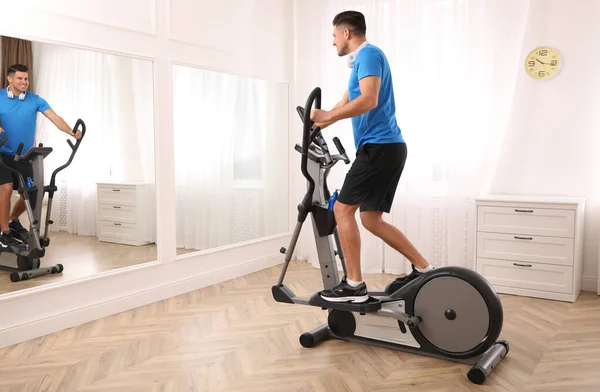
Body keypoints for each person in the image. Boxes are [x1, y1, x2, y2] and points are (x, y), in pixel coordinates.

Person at [310, 11, 433, 303]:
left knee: (341, 210)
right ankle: (424, 268)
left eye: (334, 35)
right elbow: (346, 103)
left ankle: (354, 285)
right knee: (371, 219)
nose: (333, 42)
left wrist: (327, 115)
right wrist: (318, 124)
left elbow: (368, 100)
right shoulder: (359, 64)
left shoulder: (369, 56)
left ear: (347, 33)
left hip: (379, 148)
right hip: (387, 148)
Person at [0, 63, 81, 248]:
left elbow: (55, 117)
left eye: (26, 79)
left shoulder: (35, 100)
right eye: (19, 78)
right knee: (5, 188)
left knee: (34, 192)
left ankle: (12, 221)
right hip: (2, 154)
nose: (24, 82)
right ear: (10, 79)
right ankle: (3, 232)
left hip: (24, 156)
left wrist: (71, 131)